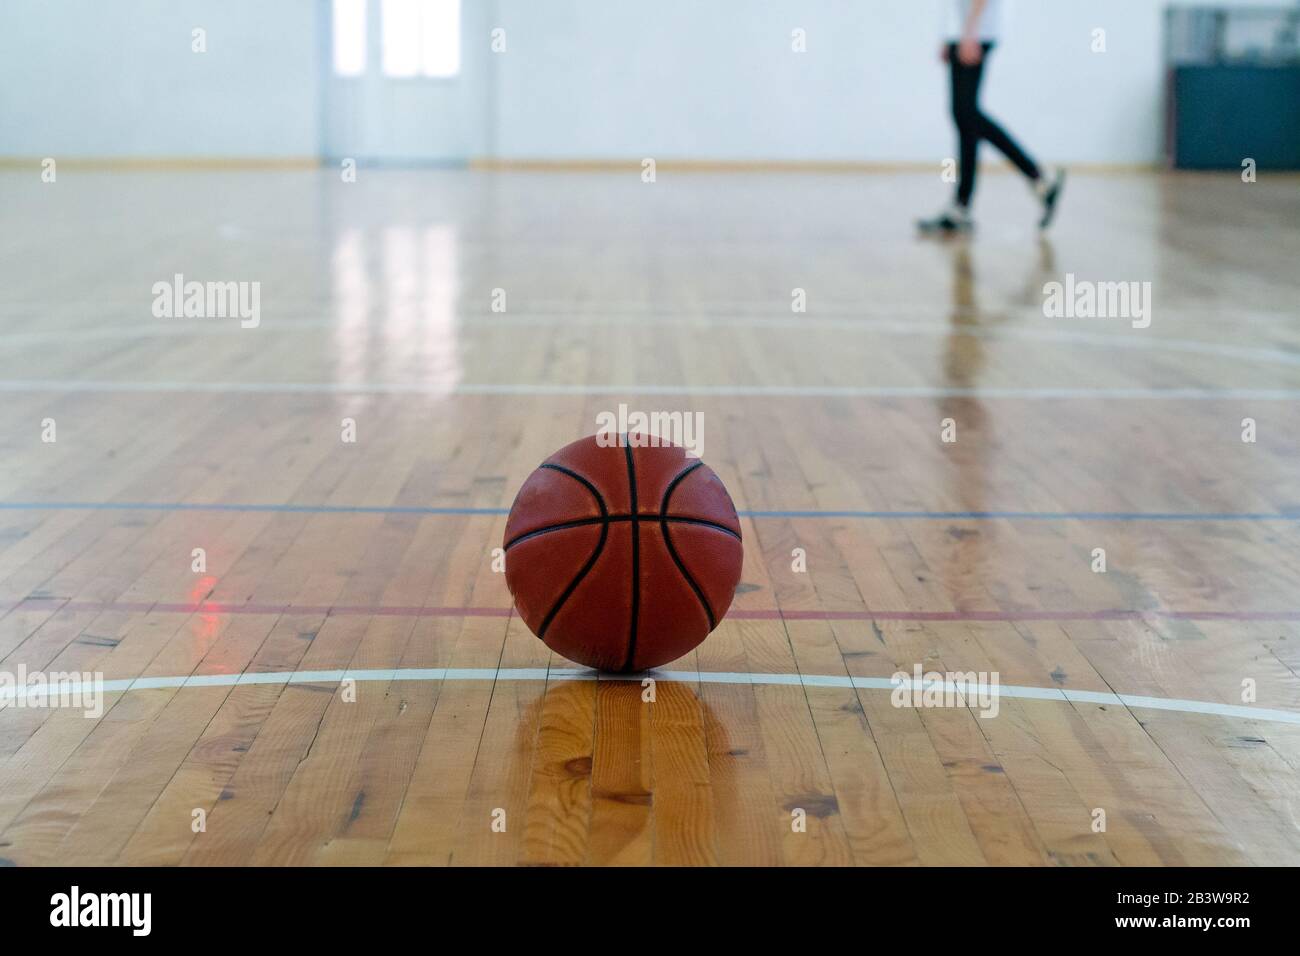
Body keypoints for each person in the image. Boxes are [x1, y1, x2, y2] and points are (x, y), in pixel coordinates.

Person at [918, 0, 1065, 233]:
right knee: (964, 119)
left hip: (974, 32)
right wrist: (950, 34)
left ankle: (1038, 178)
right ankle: (961, 208)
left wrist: (969, 33)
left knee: (967, 114)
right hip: (965, 31)